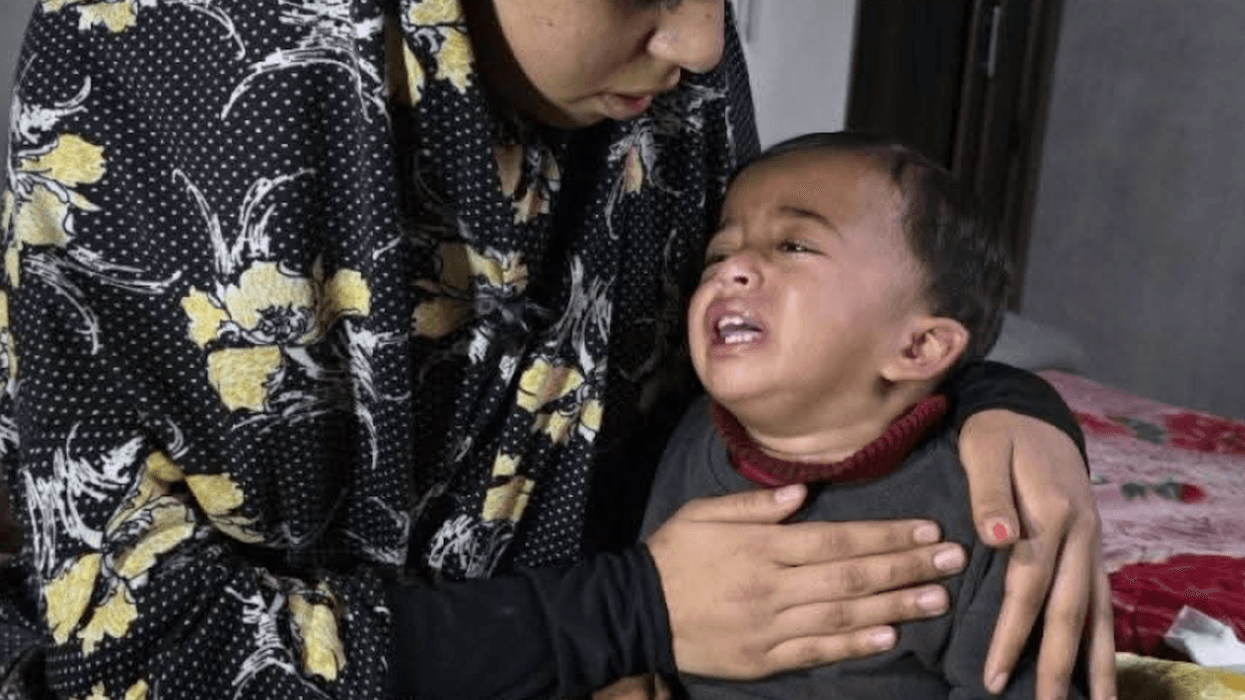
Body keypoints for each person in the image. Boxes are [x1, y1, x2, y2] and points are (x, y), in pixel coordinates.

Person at [0, 2, 1112, 699]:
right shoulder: (184, 80)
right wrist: (616, 616)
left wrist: (997, 401)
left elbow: (790, 326)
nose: (704, 44)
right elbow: (144, 652)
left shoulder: (659, 76)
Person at [640, 132, 1091, 699]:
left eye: (794, 246)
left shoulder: (985, 505)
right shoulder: (684, 436)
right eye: (719, 253)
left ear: (918, 348)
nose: (731, 271)